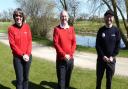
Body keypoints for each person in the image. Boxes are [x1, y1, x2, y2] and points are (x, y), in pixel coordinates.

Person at [95, 10, 121, 89]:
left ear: (113, 18)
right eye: (107, 17)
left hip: (111, 61)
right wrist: (103, 56)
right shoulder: (101, 30)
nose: (109, 18)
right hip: (101, 60)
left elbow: (118, 46)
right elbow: (97, 45)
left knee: (109, 80)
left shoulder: (116, 31)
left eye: (111, 17)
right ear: (105, 18)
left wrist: (112, 56)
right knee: (99, 79)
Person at [8, 8, 32, 89]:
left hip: (28, 57)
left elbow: (29, 41)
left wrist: (27, 54)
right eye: (16, 15)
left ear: (23, 17)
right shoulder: (11, 28)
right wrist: (22, 55)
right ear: (14, 17)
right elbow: (12, 45)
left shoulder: (27, 27)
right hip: (18, 58)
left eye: (20, 15)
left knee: (26, 78)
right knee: (20, 80)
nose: (18, 17)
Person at [53, 10, 76, 89]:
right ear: (60, 18)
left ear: (68, 17)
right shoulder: (57, 29)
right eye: (62, 16)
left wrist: (70, 54)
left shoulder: (71, 29)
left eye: (65, 16)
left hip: (70, 60)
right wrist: (64, 54)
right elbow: (56, 44)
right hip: (61, 60)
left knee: (67, 82)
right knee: (61, 83)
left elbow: (74, 42)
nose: (64, 18)